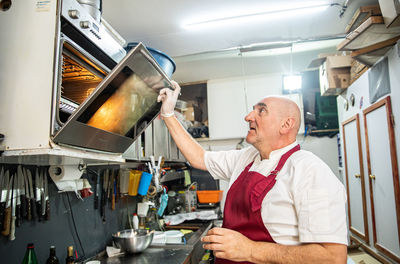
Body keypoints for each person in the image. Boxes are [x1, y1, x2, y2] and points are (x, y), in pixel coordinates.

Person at [157, 81, 348, 264]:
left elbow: (331, 257)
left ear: (286, 125)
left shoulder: (310, 171)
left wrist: (250, 250)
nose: (248, 116)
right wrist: (168, 115)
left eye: (261, 111)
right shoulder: (247, 157)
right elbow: (199, 157)